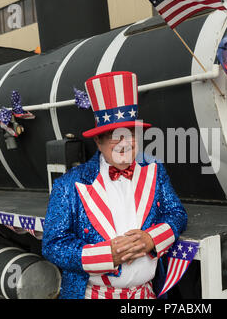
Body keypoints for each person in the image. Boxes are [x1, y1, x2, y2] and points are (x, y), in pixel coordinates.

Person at [42, 71, 188, 299]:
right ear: (98, 142)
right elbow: (53, 245)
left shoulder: (154, 170)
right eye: (114, 136)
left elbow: (176, 213)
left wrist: (152, 239)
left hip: (146, 295)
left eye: (130, 133)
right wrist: (107, 254)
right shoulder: (68, 185)